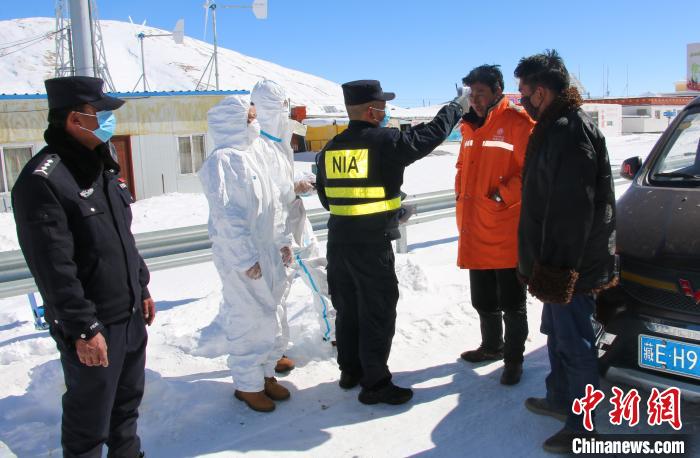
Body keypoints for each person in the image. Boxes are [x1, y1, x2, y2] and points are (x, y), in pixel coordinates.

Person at [12, 76, 154, 458]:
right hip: (93, 326)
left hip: (128, 316)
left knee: (126, 409)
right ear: (76, 120)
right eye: (101, 113)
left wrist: (141, 287)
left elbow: (121, 239)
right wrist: (83, 328)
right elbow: (53, 267)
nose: (109, 120)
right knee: (89, 422)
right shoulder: (44, 180)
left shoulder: (102, 168)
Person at [315, 80, 469, 405]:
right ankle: (375, 384)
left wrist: (386, 207)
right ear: (373, 111)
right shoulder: (386, 140)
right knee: (377, 311)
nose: (386, 112)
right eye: (383, 107)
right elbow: (428, 137)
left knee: (348, 309)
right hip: (372, 245)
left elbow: (331, 200)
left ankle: (350, 371)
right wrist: (456, 108)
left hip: (339, 243)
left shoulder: (330, 149)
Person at [514, 50, 617, 453]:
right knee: (557, 335)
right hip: (553, 260)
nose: (521, 99)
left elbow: (572, 211)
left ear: (541, 92)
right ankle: (560, 398)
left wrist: (557, 270)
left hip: (569, 264)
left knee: (576, 343)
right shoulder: (555, 125)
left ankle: (584, 425)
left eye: (524, 92)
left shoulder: (569, 131)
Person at [198, 95, 292, 413]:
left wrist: (282, 241)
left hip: (265, 251)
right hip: (242, 259)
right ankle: (246, 385)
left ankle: (264, 375)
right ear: (233, 122)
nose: (256, 122)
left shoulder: (254, 156)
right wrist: (243, 258)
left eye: (255, 115)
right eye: (250, 117)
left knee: (271, 314)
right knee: (247, 319)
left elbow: (274, 204)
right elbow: (227, 216)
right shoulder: (222, 162)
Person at [455, 65, 534, 385]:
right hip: (475, 226)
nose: (474, 100)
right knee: (482, 298)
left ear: (498, 92)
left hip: (505, 229)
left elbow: (532, 170)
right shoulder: (468, 127)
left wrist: (501, 197)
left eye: (480, 94)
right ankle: (491, 346)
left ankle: (514, 359)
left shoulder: (518, 123)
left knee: (511, 301)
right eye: (471, 94)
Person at [251, 80, 335, 366]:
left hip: (297, 221)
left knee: (320, 275)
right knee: (277, 290)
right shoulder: (254, 145)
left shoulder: (280, 141)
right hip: (273, 230)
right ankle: (276, 351)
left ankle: (334, 333)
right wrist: (293, 188)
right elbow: (265, 192)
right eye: (281, 106)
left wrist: (299, 184)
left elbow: (283, 180)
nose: (285, 112)